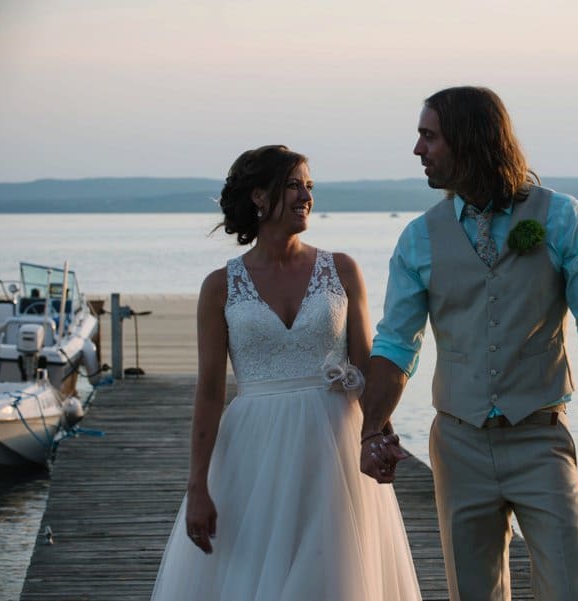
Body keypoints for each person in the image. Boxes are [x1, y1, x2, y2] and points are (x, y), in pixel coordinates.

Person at [359, 87, 578, 601]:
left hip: (541, 439)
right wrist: (371, 431)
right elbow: (395, 346)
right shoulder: (419, 237)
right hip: (458, 445)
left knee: (574, 591)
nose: (418, 150)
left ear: (469, 140)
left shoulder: (562, 217)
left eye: (429, 136)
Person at [151, 145, 422, 600]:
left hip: (333, 446)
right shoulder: (220, 287)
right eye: (294, 184)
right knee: (257, 575)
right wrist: (197, 486)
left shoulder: (342, 270)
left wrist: (379, 435)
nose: (306, 196)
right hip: (253, 455)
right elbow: (210, 395)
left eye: (309, 186)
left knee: (333, 576)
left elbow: (365, 366)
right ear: (259, 196)